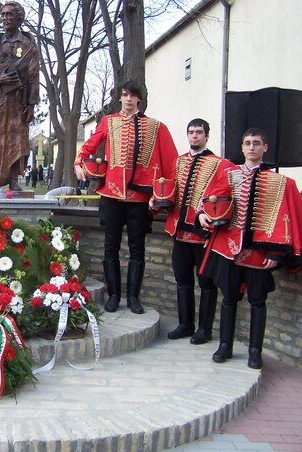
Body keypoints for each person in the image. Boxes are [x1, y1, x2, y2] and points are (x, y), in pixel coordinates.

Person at [199, 128, 302, 369]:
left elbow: (288, 218)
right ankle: (225, 345)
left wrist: (276, 253)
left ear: (265, 147)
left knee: (258, 301)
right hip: (229, 249)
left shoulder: (281, 182)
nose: (252, 147)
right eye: (247, 143)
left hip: (259, 254)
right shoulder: (228, 174)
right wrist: (203, 214)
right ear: (242, 147)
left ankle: (255, 350)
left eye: (257, 143)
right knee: (228, 299)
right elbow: (211, 200)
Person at [74, 80, 178, 314]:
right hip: (111, 194)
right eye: (124, 95)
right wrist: (78, 164)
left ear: (139, 99)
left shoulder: (155, 126)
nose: (128, 99)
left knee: (137, 248)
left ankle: (133, 297)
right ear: (120, 98)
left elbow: (171, 163)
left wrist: (163, 195)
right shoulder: (108, 122)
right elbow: (88, 147)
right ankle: (114, 296)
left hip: (140, 198)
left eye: (133, 96)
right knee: (110, 246)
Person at [153, 118, 233, 344]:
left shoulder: (221, 164)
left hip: (204, 235)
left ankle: (204, 329)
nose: (194, 136)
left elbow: (222, 192)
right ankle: (185, 324)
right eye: (191, 132)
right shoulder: (179, 162)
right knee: (183, 281)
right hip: (180, 232)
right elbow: (171, 189)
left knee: (206, 283)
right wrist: (157, 200)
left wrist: (203, 210)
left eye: (199, 132)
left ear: (207, 135)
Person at [0, 0, 39, 192]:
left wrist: (31, 104)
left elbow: (33, 75)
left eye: (9, 14)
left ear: (19, 18)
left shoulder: (28, 44)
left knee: (17, 138)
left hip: (18, 101)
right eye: (3, 14)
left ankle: (14, 178)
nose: (5, 18)